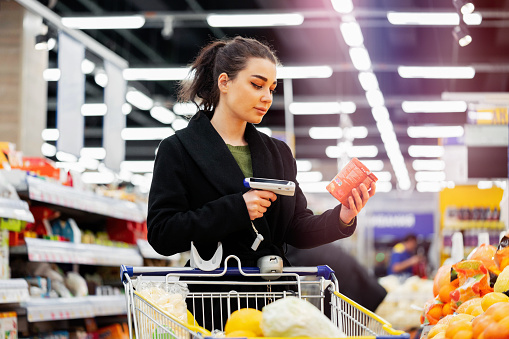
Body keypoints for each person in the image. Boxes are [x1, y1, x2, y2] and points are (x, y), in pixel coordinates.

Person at [146, 36, 376, 328]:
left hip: (275, 306)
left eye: (271, 88)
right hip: (213, 308)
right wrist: (236, 209)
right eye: (257, 85)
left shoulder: (277, 152)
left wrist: (341, 217)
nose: (267, 96)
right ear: (224, 82)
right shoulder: (178, 149)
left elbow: (295, 229)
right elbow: (162, 233)